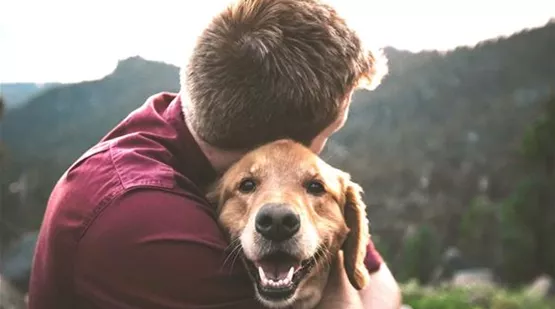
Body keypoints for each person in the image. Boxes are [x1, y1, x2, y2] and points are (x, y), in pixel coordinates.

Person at [27, 0, 401, 308]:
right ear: (280, 142)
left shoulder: (189, 119)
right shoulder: (144, 222)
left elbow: (380, 282)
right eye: (333, 129)